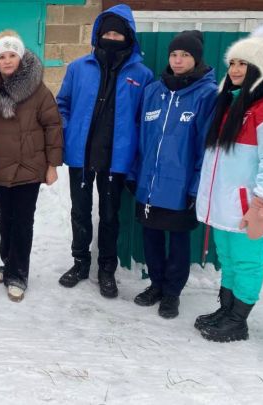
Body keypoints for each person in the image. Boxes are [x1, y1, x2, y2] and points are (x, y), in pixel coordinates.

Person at [195, 24, 263, 342]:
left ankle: (238, 321)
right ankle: (226, 310)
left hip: (251, 207)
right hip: (227, 204)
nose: (235, 69)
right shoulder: (234, 103)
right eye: (232, 63)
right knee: (228, 258)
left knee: (246, 261)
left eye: (243, 63)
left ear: (261, 68)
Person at [56, 4, 153, 298]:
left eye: (117, 33)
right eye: (107, 32)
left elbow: (142, 118)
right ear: (99, 34)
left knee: (110, 216)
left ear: (128, 37)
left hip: (117, 158)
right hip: (82, 156)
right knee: (80, 212)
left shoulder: (142, 74)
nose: (112, 37)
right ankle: (80, 262)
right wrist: (69, 131)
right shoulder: (78, 68)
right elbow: (62, 104)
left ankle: (106, 269)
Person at [129, 31, 218, 319]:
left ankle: (172, 294)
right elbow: (140, 137)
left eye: (185, 55)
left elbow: (207, 146)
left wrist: (195, 188)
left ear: (197, 59)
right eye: (174, 54)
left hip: (181, 187)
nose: (178, 60)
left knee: (179, 241)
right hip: (149, 184)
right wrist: (135, 174)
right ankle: (156, 285)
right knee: (151, 236)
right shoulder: (153, 91)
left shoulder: (207, 94)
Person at [0, 30, 63, 302]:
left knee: (23, 221)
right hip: (0, 167)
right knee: (6, 220)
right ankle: (8, 263)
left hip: (29, 167)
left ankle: (18, 274)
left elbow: (52, 125)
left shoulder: (38, 90)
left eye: (12, 55)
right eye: (1, 56)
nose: (7, 60)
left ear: (20, 56)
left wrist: (52, 165)